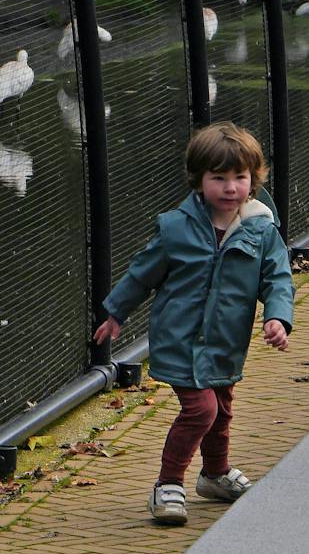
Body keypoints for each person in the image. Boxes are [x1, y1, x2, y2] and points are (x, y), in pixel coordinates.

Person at [92, 123, 294, 525]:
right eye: (218, 178)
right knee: (201, 410)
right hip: (180, 339)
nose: (230, 187)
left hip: (226, 341)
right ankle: (168, 484)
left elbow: (277, 278)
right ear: (199, 180)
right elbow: (142, 273)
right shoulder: (175, 228)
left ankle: (215, 474)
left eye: (240, 177)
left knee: (221, 410)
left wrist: (276, 316)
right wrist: (116, 312)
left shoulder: (261, 229)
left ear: (254, 180)